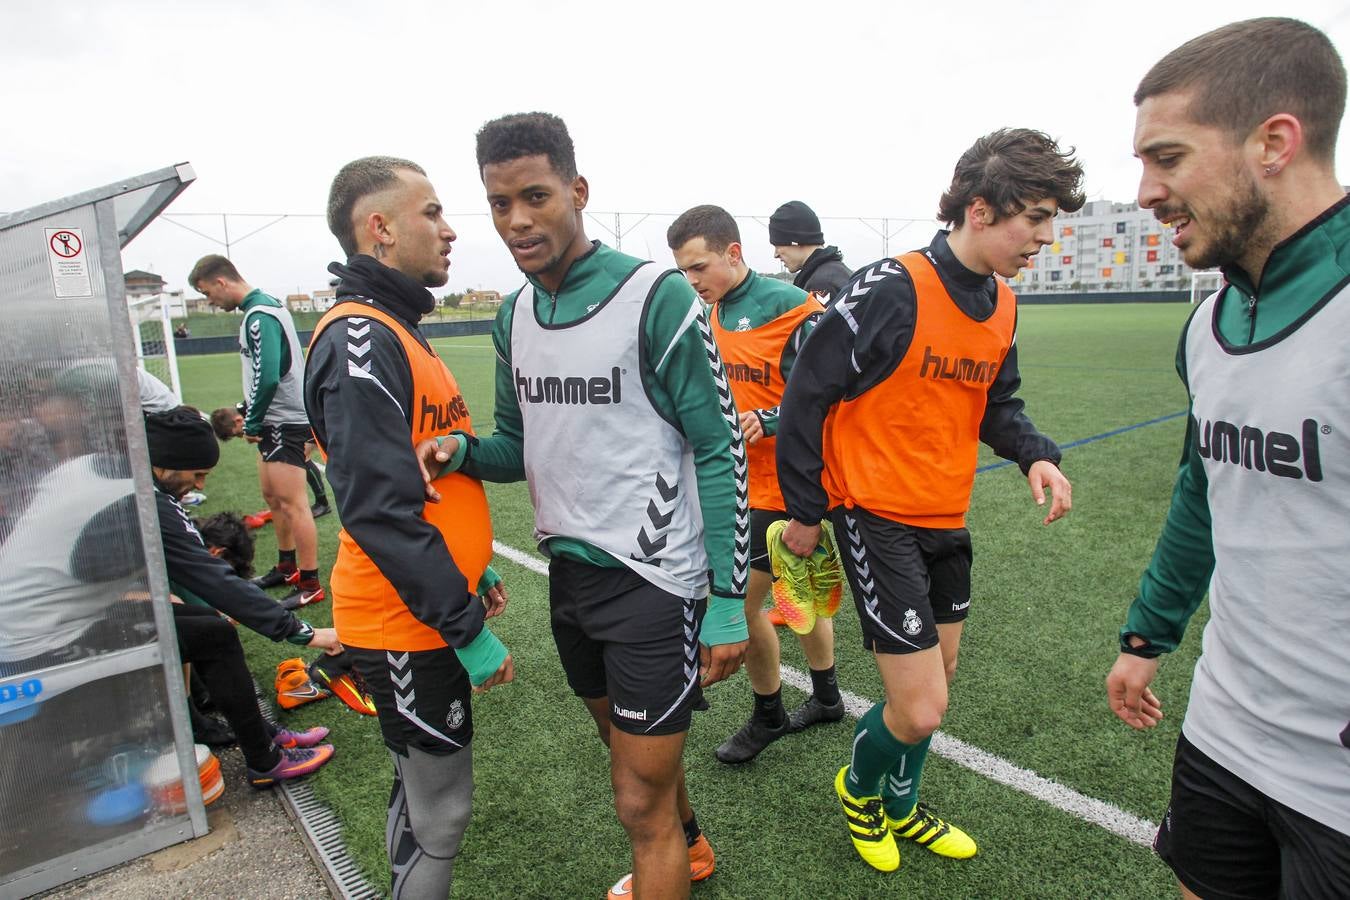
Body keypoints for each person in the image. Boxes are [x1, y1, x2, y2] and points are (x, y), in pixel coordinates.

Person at [424, 112, 748, 899]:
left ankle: (672, 851)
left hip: (656, 582)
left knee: (637, 801)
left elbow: (719, 445)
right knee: (633, 761)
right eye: (499, 204)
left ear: (577, 190)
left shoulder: (656, 295)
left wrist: (730, 599)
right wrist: (465, 452)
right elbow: (515, 445)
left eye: (535, 196)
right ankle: (691, 849)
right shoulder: (514, 315)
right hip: (568, 580)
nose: (518, 220)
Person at [777, 127, 1080, 873]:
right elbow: (807, 395)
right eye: (1035, 217)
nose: (1045, 236)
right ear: (981, 209)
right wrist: (808, 512)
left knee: (935, 687)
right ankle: (859, 788)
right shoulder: (891, 287)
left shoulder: (1004, 304)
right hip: (873, 516)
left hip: (948, 518)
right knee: (919, 708)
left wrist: (1035, 454)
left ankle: (904, 809)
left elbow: (998, 405)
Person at [1104, 18, 1350, 899]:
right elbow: (1202, 494)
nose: (1145, 191)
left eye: (1167, 157)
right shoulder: (1209, 326)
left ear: (1274, 142)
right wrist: (1147, 636)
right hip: (1226, 731)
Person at [305, 155, 513, 900]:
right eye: (431, 213)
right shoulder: (361, 338)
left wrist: (470, 567)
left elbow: (422, 480)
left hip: (419, 611)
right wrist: (465, 627)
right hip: (404, 624)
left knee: (421, 802)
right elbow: (381, 511)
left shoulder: (398, 328)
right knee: (442, 818)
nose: (450, 229)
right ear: (381, 229)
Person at [666, 204, 843, 764]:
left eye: (698, 268)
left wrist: (767, 419)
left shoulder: (793, 309)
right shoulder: (711, 311)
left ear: (734, 254)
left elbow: (832, 394)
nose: (692, 282)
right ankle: (829, 696)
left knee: (742, 607)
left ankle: (768, 714)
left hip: (788, 486)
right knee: (799, 599)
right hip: (741, 484)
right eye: (684, 272)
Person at [143, 407, 339, 787]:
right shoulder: (153, 504)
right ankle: (264, 761)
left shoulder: (141, 488)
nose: (200, 486)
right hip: (68, 632)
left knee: (208, 625)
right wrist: (307, 633)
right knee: (215, 635)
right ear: (165, 464)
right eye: (197, 474)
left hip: (86, 611)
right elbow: (214, 579)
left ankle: (261, 733)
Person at [188, 255, 322, 604]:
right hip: (273, 421)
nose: (211, 303)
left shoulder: (261, 313)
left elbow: (269, 376)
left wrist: (251, 421)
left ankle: (310, 585)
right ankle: (286, 566)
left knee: (294, 504)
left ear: (221, 282)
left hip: (284, 422)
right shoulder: (258, 310)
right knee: (273, 498)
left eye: (207, 293)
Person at [210, 403, 331, 522]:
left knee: (303, 457)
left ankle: (322, 503)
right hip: (299, 421)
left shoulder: (253, 412)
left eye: (238, 433)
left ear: (238, 420)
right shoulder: (248, 409)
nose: (242, 436)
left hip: (306, 421)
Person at [768, 200, 852, 297]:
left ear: (795, 240)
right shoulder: (837, 272)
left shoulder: (821, 285)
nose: (776, 255)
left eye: (778, 245)